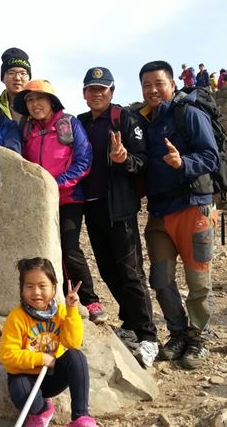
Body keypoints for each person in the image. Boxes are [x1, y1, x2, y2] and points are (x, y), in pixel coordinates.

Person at [137, 60, 219, 370]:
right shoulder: (145, 122)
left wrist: (182, 162)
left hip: (192, 206)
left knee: (198, 280)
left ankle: (198, 337)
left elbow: (210, 156)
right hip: (159, 213)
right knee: (161, 280)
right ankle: (178, 332)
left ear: (172, 84)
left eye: (159, 83)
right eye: (147, 85)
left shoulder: (190, 115)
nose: (153, 90)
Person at [78, 67, 158, 368]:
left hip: (120, 207)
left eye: (102, 89)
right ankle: (130, 323)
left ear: (111, 92)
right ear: (84, 94)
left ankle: (148, 336)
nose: (96, 94)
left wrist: (125, 160)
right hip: (91, 206)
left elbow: (143, 161)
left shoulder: (125, 119)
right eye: (91, 89)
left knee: (130, 271)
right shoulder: (81, 123)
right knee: (107, 269)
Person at [13, 79, 108, 325]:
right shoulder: (26, 129)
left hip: (68, 198)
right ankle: (49, 298)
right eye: (30, 101)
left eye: (39, 99)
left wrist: (55, 184)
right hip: (38, 202)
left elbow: (83, 160)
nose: (35, 105)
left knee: (69, 247)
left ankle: (90, 299)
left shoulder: (69, 124)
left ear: (51, 102)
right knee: (41, 250)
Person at [0, 257, 97, 427]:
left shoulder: (60, 311)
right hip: (25, 375)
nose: (36, 292)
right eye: (29, 286)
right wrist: (41, 359)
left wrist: (71, 310)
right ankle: (42, 410)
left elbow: (73, 343)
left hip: (52, 375)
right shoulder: (17, 317)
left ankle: (80, 417)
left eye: (42, 286)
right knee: (24, 395)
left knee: (77, 357)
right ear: (21, 290)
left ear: (53, 288)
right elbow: (7, 356)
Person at [0, 47, 32, 122]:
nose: (17, 78)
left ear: (29, 78)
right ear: (3, 78)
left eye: (23, 73)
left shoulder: (39, 104)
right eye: (11, 73)